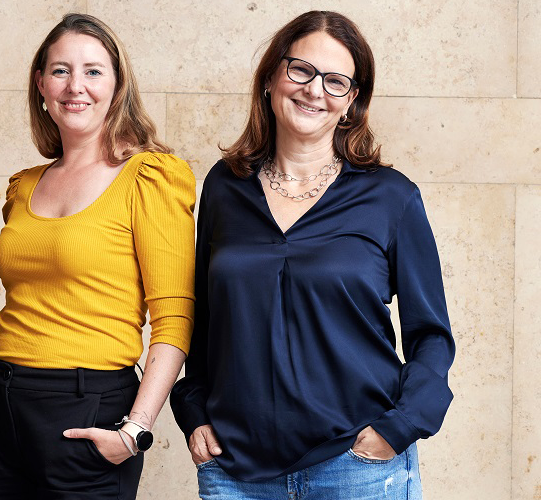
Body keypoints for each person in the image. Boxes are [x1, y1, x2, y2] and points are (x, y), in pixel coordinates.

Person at [170, 10, 455, 499]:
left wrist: (401, 426)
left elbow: (431, 335)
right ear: (271, 78)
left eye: (335, 81)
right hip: (236, 469)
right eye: (300, 69)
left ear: (351, 102)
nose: (313, 89)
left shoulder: (391, 198)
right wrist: (193, 411)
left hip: (356, 467)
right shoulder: (224, 187)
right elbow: (205, 318)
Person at [0, 13, 195, 499]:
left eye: (93, 71)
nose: (75, 86)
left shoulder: (151, 177)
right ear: (40, 83)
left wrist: (134, 430)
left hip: (85, 409)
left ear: (118, 86)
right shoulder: (25, 185)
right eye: (60, 70)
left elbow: (175, 316)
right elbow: (25, 304)